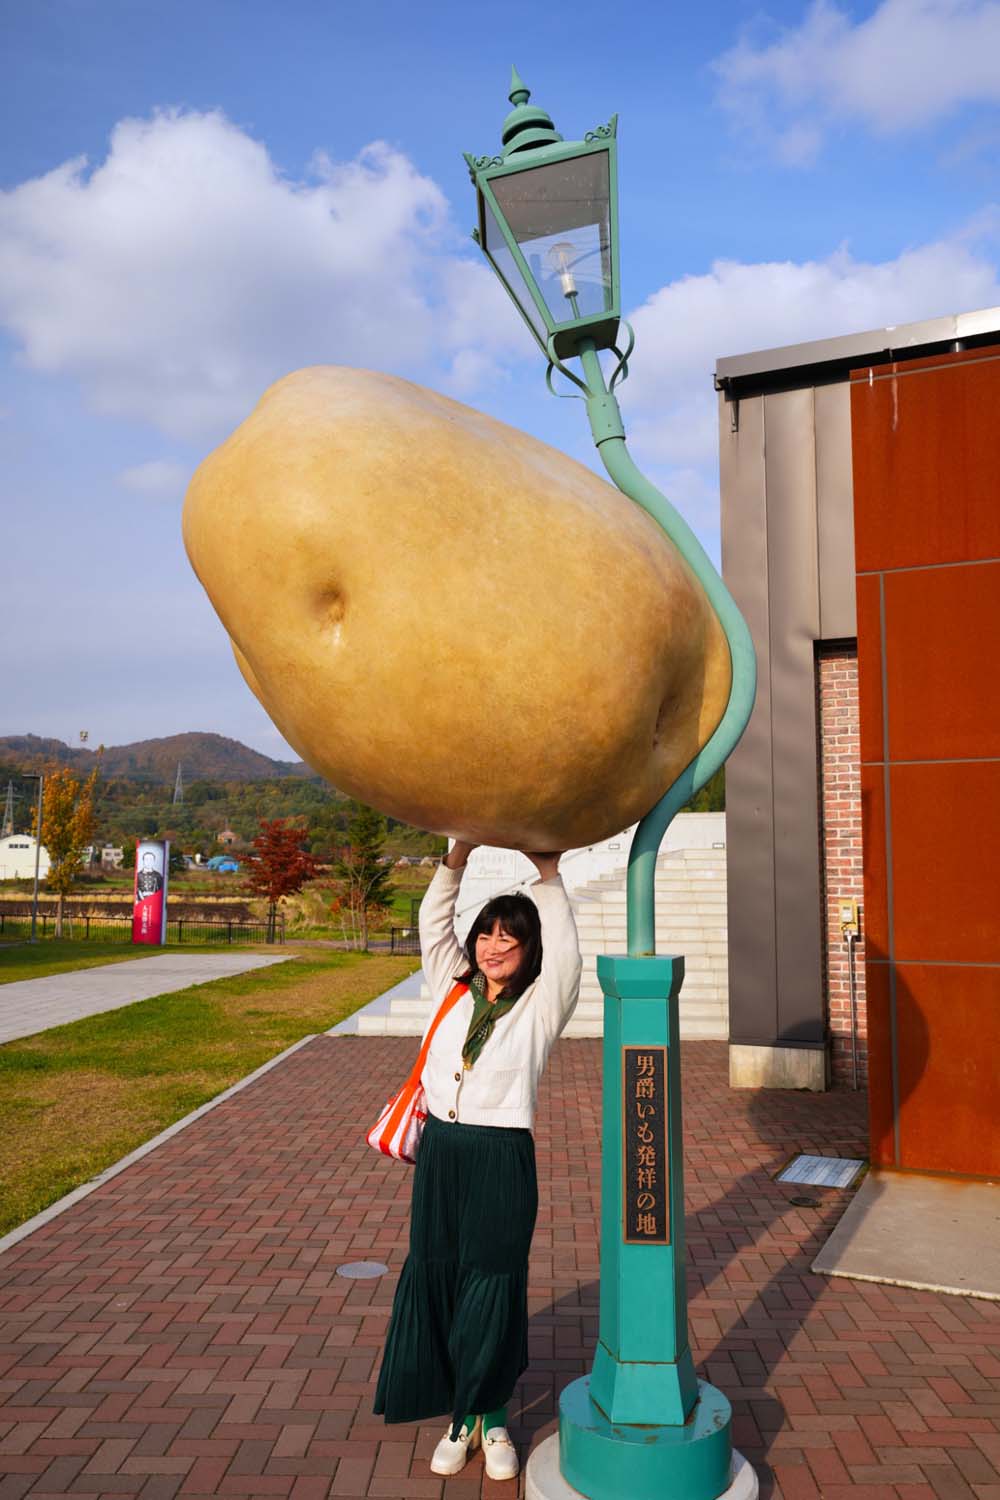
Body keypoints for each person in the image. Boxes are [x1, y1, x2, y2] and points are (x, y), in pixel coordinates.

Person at [374, 839, 582, 1482]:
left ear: (527, 951)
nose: (494, 947)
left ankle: (490, 1418)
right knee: (439, 1274)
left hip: (500, 1156)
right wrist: (454, 858)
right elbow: (432, 922)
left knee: (492, 1283)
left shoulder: (542, 1006)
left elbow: (570, 954)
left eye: (508, 940)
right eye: (487, 935)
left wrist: (549, 875)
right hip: (443, 1151)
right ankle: (457, 1416)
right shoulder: (451, 984)